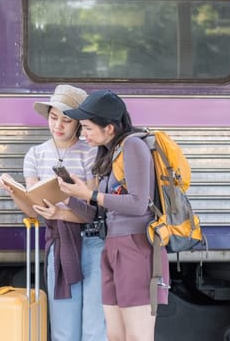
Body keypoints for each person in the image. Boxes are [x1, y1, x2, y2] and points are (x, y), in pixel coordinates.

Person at [0, 85, 108, 341]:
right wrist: (14, 192)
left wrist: (60, 212)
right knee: (63, 330)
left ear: (79, 123)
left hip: (93, 242)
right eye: (53, 117)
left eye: (66, 120)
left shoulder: (92, 152)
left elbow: (95, 210)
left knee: (95, 328)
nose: (58, 125)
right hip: (59, 246)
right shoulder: (35, 155)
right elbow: (33, 209)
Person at [58, 90, 170, 341]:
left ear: (109, 127)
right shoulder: (111, 153)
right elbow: (100, 209)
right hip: (113, 247)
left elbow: (138, 204)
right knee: (116, 336)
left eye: (87, 128)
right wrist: (68, 195)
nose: (83, 134)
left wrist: (90, 194)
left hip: (136, 247)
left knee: (137, 337)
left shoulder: (133, 146)